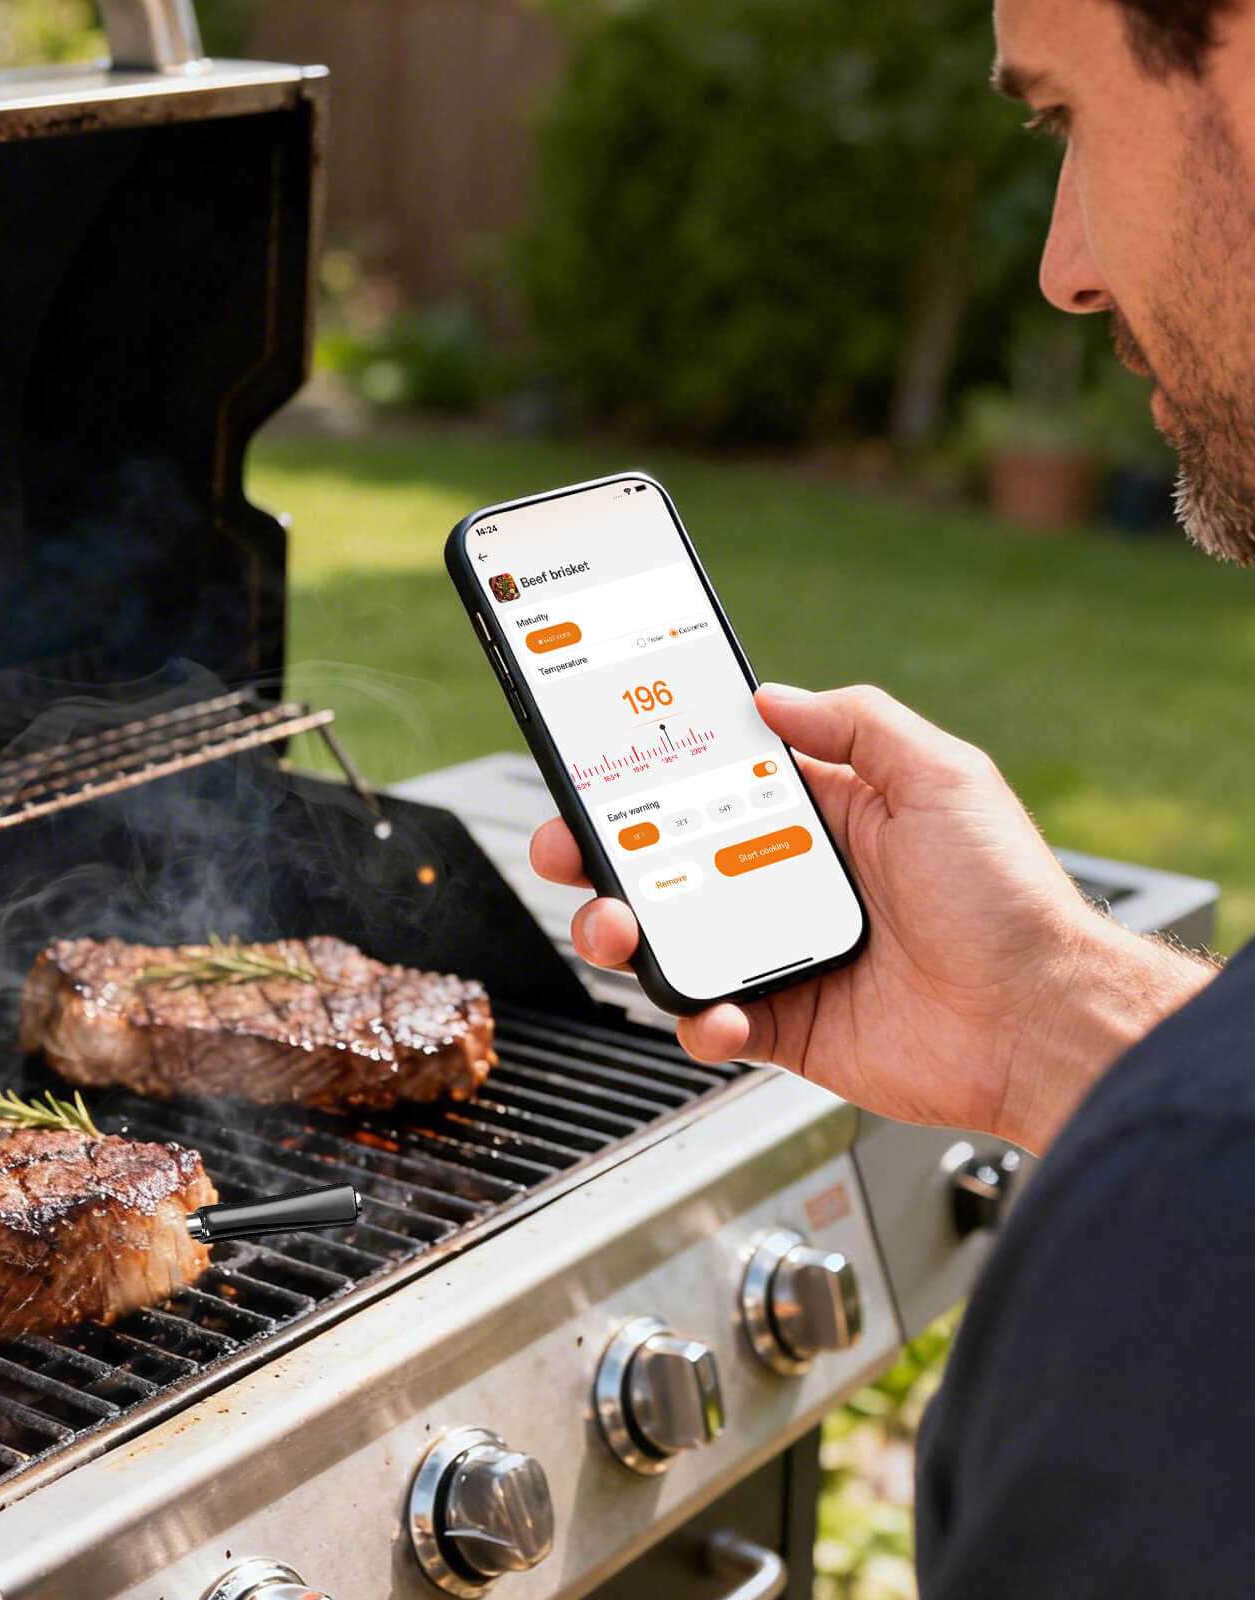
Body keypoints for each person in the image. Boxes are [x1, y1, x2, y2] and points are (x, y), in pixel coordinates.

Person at [531, 1, 1255, 1592]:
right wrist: (1047, 1013)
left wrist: (1170, 1147)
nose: (1062, 266)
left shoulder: (1191, 1255)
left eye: (1065, 117)